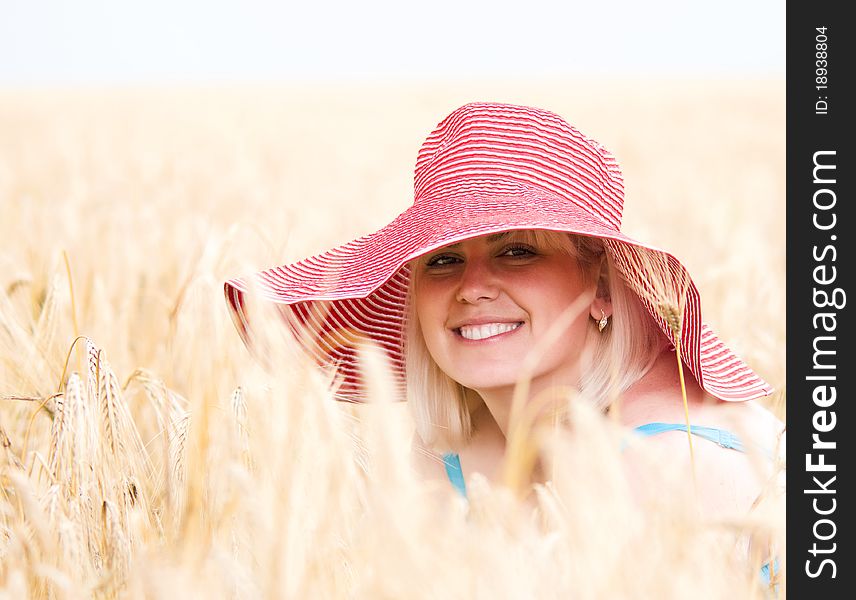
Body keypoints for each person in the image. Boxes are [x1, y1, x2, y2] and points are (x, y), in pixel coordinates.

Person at [224, 102, 784, 522]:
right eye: (442, 260)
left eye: (518, 251)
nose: (472, 289)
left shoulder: (659, 467)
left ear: (604, 288)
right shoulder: (453, 456)